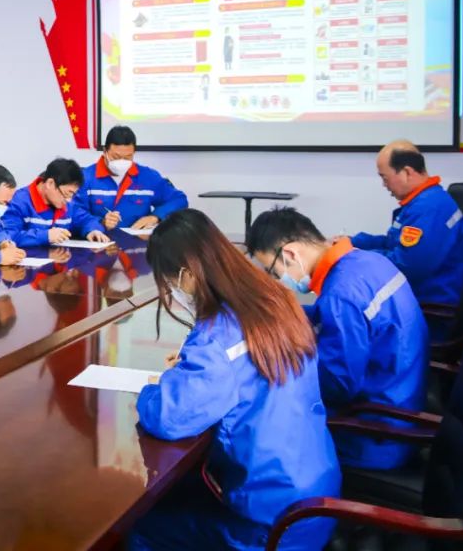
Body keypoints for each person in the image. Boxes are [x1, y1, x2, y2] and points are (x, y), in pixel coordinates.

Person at [129, 209, 340, 551]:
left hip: (272, 526)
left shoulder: (216, 336)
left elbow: (170, 417)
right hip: (316, 497)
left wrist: (152, 388)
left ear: (185, 274)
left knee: (139, 528)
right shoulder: (277, 300)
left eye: (168, 281)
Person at [248, 207, 428, 470]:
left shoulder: (341, 294)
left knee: (259, 425)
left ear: (290, 254)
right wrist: (288, 314)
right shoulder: (367, 261)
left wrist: (274, 362)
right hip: (404, 400)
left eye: (274, 272)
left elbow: (337, 385)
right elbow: (340, 319)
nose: (278, 280)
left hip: (375, 433)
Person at [350, 141, 463, 307]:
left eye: (385, 178)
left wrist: (355, 255)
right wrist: (353, 242)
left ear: (407, 172)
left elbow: (408, 267)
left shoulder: (428, 209)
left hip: (433, 305)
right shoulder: (425, 201)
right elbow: (393, 243)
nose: (384, 185)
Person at [74, 126, 188, 232]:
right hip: (100, 241)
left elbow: (178, 199)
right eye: (116, 157)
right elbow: (74, 212)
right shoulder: (86, 177)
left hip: (137, 242)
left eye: (128, 157)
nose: (122, 161)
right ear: (105, 151)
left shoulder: (148, 177)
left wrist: (156, 216)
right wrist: (100, 222)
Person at [0, 158, 110, 248]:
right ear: (50, 183)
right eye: (66, 194)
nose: (68, 200)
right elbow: (7, 237)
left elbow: (86, 219)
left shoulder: (67, 204)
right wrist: (46, 236)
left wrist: (93, 230)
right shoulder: (18, 202)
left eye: (72, 194)